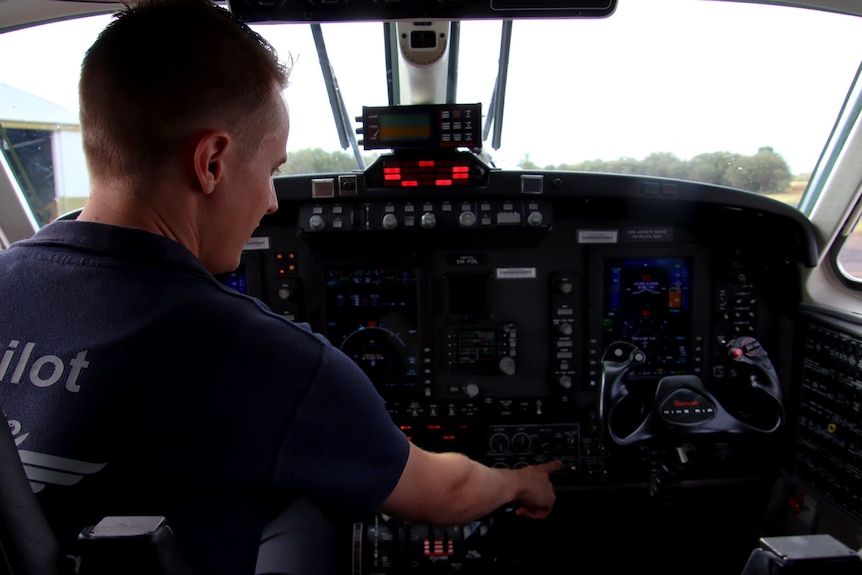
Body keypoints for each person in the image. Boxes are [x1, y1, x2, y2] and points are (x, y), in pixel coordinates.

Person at [0, 1, 562, 574]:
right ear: (212, 162)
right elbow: (443, 494)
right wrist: (520, 482)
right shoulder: (261, 358)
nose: (272, 201)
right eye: (270, 169)